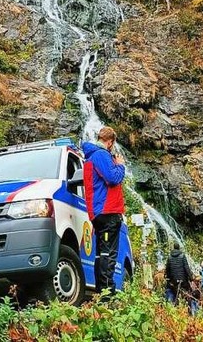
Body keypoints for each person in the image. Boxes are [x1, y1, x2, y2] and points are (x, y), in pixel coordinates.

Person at [82, 126, 126, 296]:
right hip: (107, 211)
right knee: (108, 253)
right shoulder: (101, 155)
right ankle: (107, 292)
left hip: (99, 212)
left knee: (101, 254)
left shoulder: (92, 157)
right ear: (110, 142)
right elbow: (112, 178)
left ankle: (102, 291)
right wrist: (120, 166)